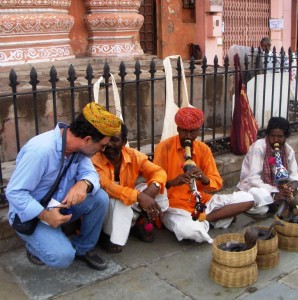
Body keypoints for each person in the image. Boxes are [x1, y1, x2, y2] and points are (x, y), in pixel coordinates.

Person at [6, 102, 122, 270]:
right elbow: (15, 192)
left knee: (100, 198)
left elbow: (91, 175)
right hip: (32, 214)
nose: (103, 150)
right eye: (102, 145)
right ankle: (35, 246)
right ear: (88, 139)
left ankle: (83, 249)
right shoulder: (40, 151)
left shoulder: (79, 149)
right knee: (62, 257)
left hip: (58, 205)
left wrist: (84, 184)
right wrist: (46, 216)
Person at [153, 107, 254, 243]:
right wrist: (173, 182)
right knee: (191, 231)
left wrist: (204, 178)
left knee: (248, 199)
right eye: (184, 131)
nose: (188, 136)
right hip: (174, 206)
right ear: (178, 129)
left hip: (201, 202)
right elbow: (154, 182)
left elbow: (217, 183)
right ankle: (216, 218)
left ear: (198, 131)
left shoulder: (203, 149)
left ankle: (205, 219)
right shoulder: (164, 148)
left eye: (192, 132)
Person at [92, 123, 168, 253]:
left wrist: (153, 187)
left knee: (161, 192)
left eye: (114, 140)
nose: (109, 144)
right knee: (117, 202)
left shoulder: (133, 156)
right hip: (107, 204)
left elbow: (159, 172)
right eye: (106, 140)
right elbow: (107, 186)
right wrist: (139, 196)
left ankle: (136, 224)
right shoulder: (95, 159)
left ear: (124, 142)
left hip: (126, 200)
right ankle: (106, 235)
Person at [237, 116, 298, 215]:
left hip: (279, 187)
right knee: (261, 202)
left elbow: (294, 175)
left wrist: (292, 187)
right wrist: (274, 192)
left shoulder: (288, 150)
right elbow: (253, 179)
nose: (276, 140)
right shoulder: (259, 147)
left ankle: (279, 203)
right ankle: (275, 203)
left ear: (286, 136)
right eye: (272, 136)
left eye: (280, 137)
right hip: (255, 186)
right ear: (267, 135)